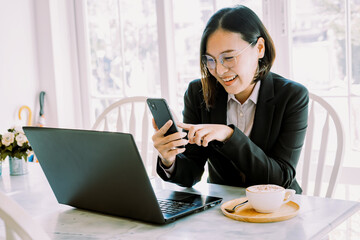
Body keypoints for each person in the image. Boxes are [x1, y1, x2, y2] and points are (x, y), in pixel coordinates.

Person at [151, 5, 308, 193]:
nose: (219, 70)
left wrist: (229, 135)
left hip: (276, 209)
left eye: (229, 57)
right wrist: (170, 159)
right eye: (210, 60)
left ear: (259, 48)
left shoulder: (293, 96)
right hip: (224, 208)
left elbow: (279, 180)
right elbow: (191, 172)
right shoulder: (198, 93)